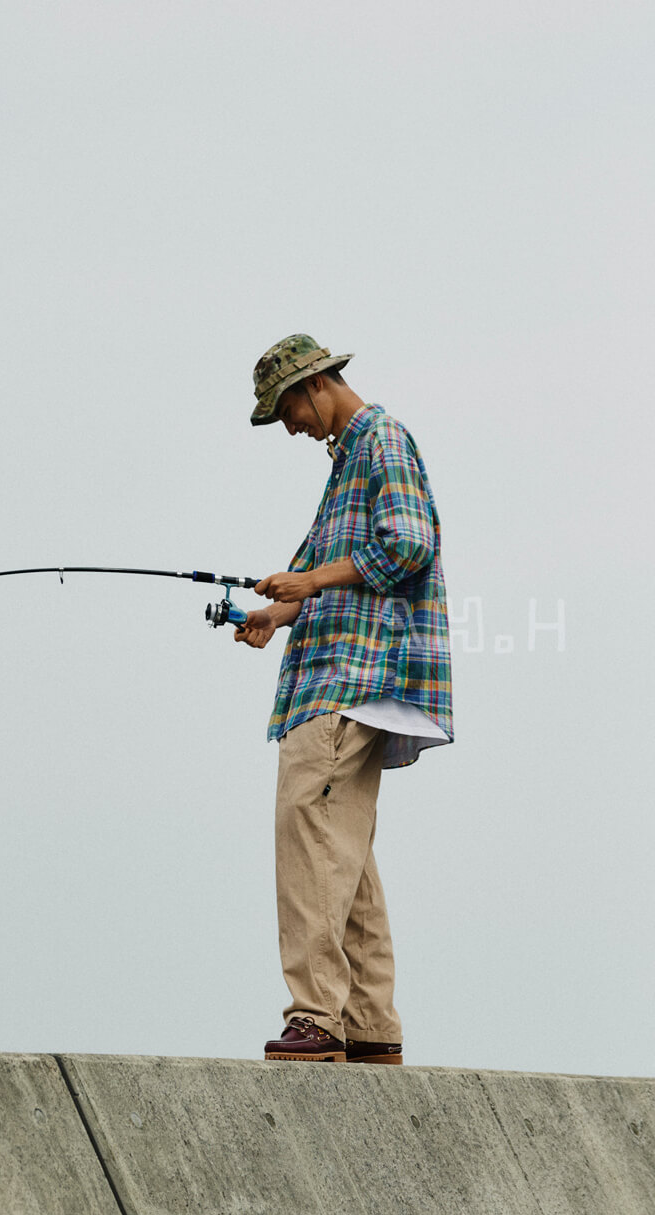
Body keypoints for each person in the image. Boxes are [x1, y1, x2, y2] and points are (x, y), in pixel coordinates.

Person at [237, 333, 453, 1064]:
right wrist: (276, 611)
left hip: (349, 680)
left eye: (287, 409)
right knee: (344, 849)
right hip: (345, 675)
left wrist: (310, 582)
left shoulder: (380, 439)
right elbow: (339, 572)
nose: (290, 426)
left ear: (316, 385)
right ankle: (368, 1025)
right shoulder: (348, 461)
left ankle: (316, 1017)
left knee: (308, 826)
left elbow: (409, 545)